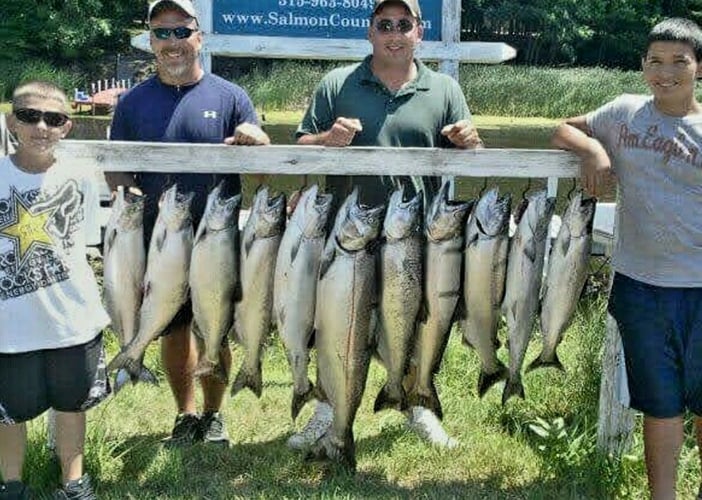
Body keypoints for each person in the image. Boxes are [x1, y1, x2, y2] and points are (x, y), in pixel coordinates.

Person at [291, 0, 483, 451]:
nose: (394, 33)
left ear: (420, 30)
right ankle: (328, 410)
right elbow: (301, 145)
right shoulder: (337, 83)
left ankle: (417, 401)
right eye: (384, 24)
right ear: (370, 31)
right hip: (347, 237)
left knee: (419, 321)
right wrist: (328, 140)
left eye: (403, 24)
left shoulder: (444, 88)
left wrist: (469, 143)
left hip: (420, 238)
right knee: (337, 325)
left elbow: (469, 148)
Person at [106, 0, 270, 448]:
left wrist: (258, 143)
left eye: (182, 32)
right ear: (150, 41)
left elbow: (260, 175)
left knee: (213, 326)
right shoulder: (132, 103)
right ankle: (186, 414)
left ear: (200, 36)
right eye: (162, 33)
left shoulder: (231, 97)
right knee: (174, 330)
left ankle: (215, 416)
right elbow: (116, 169)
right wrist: (129, 195)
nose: (172, 43)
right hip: (160, 243)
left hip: (217, 239)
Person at [551, 18, 702, 500]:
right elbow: (562, 129)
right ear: (642, 66)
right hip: (641, 284)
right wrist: (594, 149)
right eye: (655, 61)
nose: (666, 72)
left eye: (679, 62)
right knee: (660, 403)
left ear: (699, 68)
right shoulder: (623, 112)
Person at [0, 81, 110, 500]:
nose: (41, 127)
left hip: (72, 319)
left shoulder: (80, 176)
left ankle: (73, 482)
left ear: (67, 127)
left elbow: (82, 246)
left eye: (54, 119)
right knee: (8, 410)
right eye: (29, 116)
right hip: (10, 323)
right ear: (12, 121)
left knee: (71, 405)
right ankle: (11, 483)